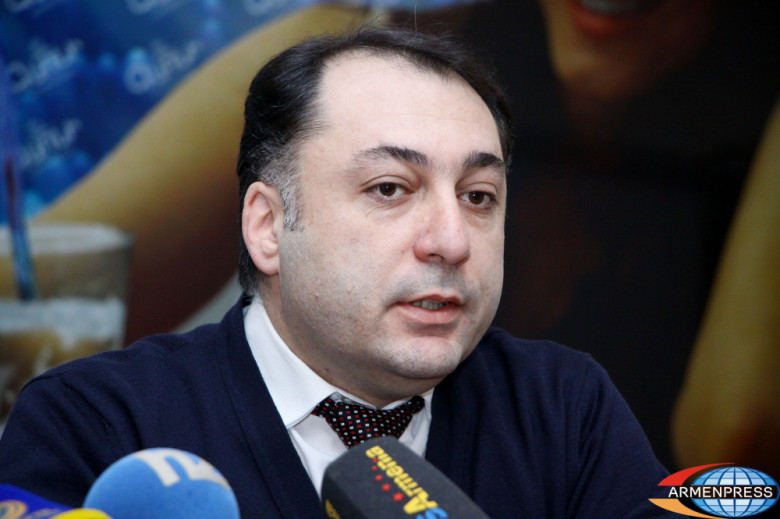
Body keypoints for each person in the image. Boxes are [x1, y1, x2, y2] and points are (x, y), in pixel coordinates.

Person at [0, 26, 675, 518]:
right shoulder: (95, 423)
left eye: (478, 197)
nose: (451, 241)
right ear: (268, 226)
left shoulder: (562, 410)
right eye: (390, 188)